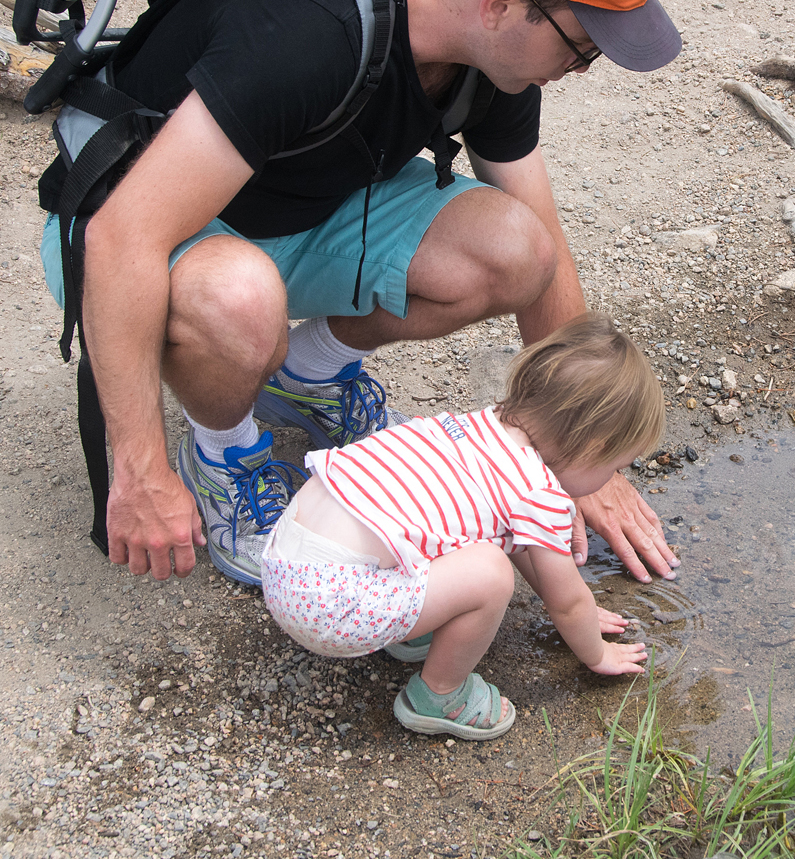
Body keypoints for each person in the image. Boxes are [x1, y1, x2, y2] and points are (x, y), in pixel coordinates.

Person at [38, 0, 683, 588]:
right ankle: (222, 451)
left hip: (303, 211)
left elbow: (542, 239)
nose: (582, 67)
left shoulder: (491, 56)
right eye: (583, 47)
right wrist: (141, 469)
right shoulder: (313, 29)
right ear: (501, 5)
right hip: (141, 233)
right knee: (242, 303)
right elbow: (121, 236)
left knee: (516, 249)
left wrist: (584, 448)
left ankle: (304, 377)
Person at [262, 313, 661, 739]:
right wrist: (595, 650)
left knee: (454, 525)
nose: (615, 476)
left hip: (285, 559)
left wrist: (574, 609)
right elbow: (567, 602)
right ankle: (439, 696)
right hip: (329, 606)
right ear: (594, 448)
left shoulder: (477, 427)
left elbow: (529, 551)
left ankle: (413, 620)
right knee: (490, 572)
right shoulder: (539, 492)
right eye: (617, 466)